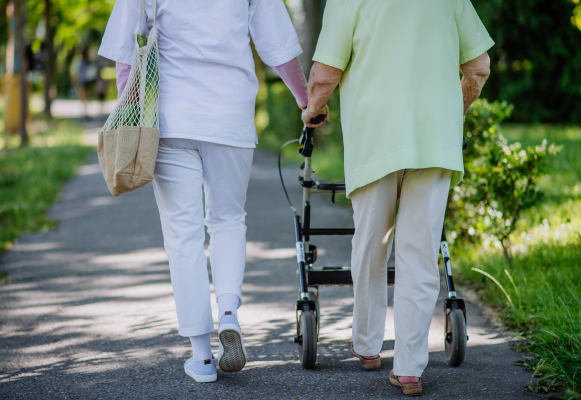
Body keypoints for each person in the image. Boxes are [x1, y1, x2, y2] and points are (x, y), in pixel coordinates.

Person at [98, 0, 309, 383]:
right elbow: (277, 44)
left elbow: (124, 50)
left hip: (171, 118)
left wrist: (129, 109)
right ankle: (229, 313)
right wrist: (305, 100)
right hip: (231, 117)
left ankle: (202, 358)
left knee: (183, 234)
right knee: (228, 219)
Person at [301, 0, 493, 396]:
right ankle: (409, 368)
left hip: (376, 140)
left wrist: (312, 111)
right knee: (420, 252)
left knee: (372, 243)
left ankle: (368, 346)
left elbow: (324, 74)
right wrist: (449, 114)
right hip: (434, 145)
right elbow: (479, 67)